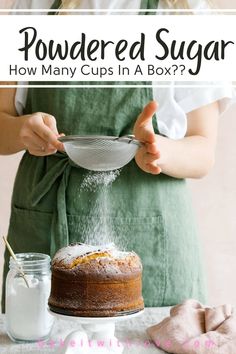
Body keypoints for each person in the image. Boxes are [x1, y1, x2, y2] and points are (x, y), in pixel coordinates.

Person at [0, 0, 233, 312]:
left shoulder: (186, 15)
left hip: (152, 239)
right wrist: (20, 130)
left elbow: (203, 151)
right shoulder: (33, 7)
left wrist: (160, 151)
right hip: (47, 222)